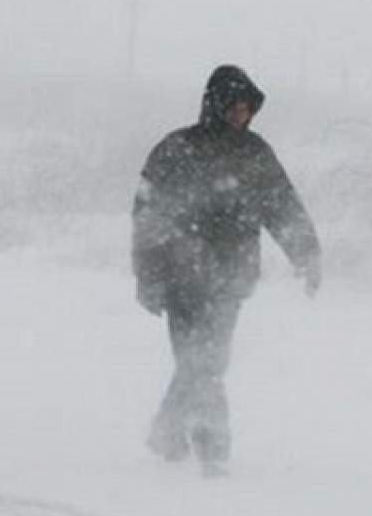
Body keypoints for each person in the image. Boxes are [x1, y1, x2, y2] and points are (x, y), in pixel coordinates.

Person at [132, 64, 321, 475]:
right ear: (216, 105)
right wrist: (146, 276)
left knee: (207, 361)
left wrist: (306, 253)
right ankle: (212, 449)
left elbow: (281, 204)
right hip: (180, 275)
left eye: (246, 109)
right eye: (233, 108)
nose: (241, 115)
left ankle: (169, 430)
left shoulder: (255, 153)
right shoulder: (177, 148)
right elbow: (147, 215)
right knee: (201, 361)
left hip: (231, 278)